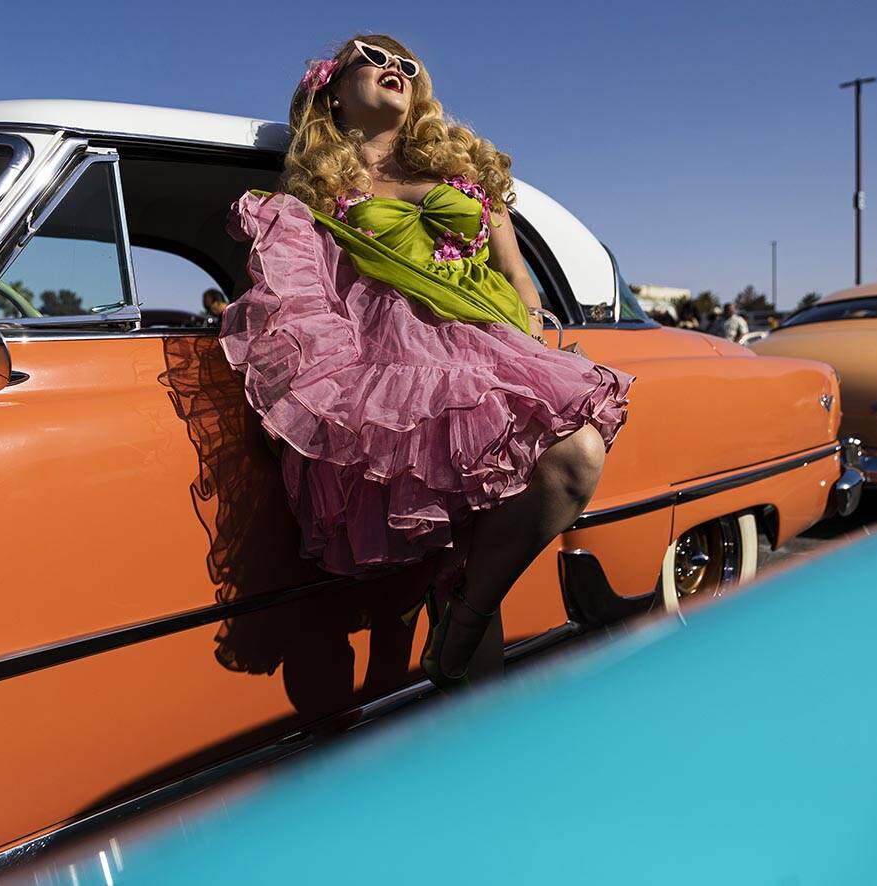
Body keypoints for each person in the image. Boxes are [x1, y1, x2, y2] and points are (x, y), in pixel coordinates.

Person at [219, 34, 632, 690]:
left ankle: (465, 614)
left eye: (407, 65)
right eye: (371, 58)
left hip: (491, 350)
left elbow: (518, 277)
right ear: (330, 89)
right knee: (433, 574)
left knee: (576, 457)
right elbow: (295, 291)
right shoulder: (316, 195)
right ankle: (462, 723)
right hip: (393, 374)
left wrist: (531, 336)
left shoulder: (467, 168)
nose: (395, 68)